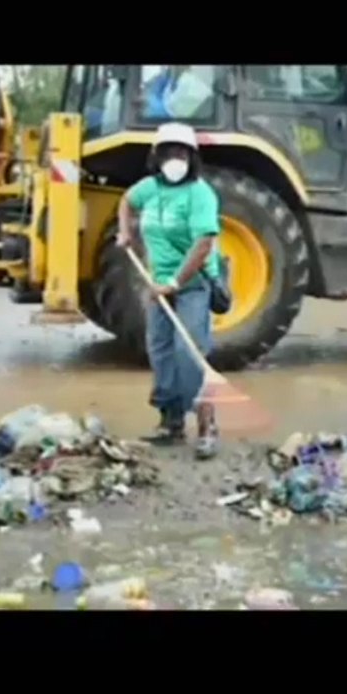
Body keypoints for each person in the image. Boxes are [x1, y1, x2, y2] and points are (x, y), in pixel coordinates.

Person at [115, 122, 222, 459]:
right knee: (160, 350)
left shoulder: (200, 194)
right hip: (158, 284)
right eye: (169, 153)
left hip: (192, 283)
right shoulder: (150, 188)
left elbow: (203, 244)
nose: (175, 159)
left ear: (192, 157)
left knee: (188, 352)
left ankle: (207, 426)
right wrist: (125, 233)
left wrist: (174, 283)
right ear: (156, 157)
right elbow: (126, 201)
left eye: (182, 153)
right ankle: (170, 422)